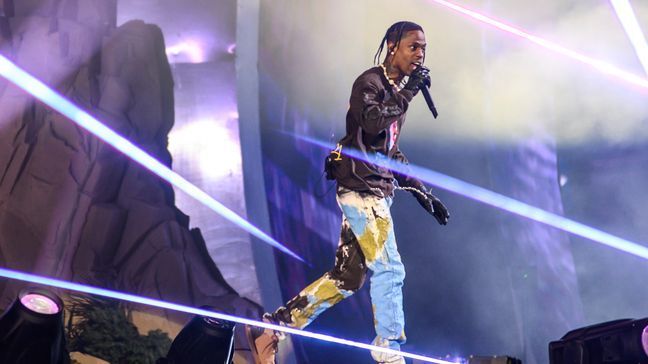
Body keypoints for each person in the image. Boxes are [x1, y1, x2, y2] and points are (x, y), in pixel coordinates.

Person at [246, 21, 450, 364]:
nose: (420, 54)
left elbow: (389, 151)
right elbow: (371, 122)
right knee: (390, 269)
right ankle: (389, 350)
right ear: (391, 45)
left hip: (376, 188)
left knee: (347, 277)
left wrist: (421, 192)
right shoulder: (369, 83)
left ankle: (273, 328)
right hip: (362, 190)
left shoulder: (397, 94)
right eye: (413, 46)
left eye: (423, 49)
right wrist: (409, 92)